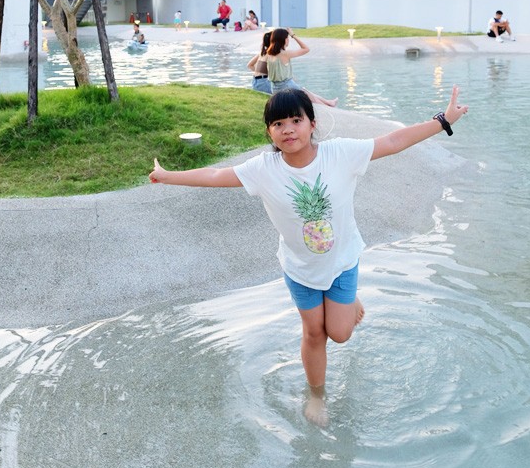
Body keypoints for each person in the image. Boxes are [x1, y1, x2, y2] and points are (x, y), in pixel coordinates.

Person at [150, 85, 469, 427]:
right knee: (314, 333)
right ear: (269, 132)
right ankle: (317, 395)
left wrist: (443, 121)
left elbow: (392, 142)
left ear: (312, 124)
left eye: (295, 120)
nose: (287, 129)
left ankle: (349, 303)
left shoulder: (339, 154)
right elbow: (215, 175)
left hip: (342, 260)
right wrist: (167, 176)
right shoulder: (264, 169)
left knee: (341, 333)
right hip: (300, 268)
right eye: (277, 124)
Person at [265, 28, 337, 107]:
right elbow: (306, 49)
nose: (288, 40)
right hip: (286, 86)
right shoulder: (284, 54)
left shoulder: (269, 54)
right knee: (309, 96)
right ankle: (328, 107)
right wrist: (293, 35)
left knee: (307, 92)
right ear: (284, 40)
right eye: (287, 38)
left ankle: (329, 102)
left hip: (275, 88)